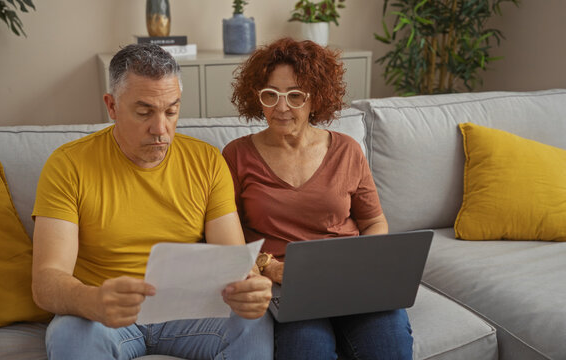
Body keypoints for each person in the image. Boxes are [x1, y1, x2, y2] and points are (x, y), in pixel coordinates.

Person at [31, 43, 273, 360]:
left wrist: (251, 286)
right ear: (112, 106)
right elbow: (46, 280)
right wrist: (91, 301)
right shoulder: (68, 165)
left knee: (254, 323)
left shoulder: (207, 161)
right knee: (68, 333)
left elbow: (233, 260)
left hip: (190, 312)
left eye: (171, 111)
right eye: (144, 112)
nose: (161, 129)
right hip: (106, 318)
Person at [222, 37, 413, 359]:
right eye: (271, 94)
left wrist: (370, 262)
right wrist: (266, 265)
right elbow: (225, 235)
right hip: (286, 285)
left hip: (351, 279)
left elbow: (374, 221)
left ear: (316, 99)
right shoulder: (237, 155)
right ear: (257, 97)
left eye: (295, 95)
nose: (281, 107)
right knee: (307, 350)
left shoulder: (347, 150)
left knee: (389, 346)